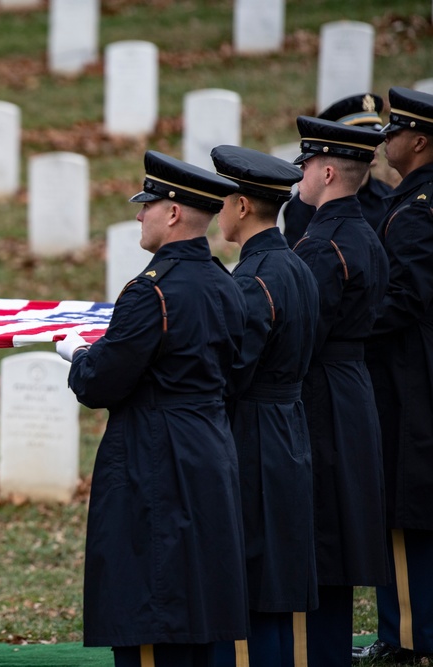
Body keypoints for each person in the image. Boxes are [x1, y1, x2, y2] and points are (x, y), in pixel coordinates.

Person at [56, 151, 248, 667]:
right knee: (201, 593)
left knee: (151, 597)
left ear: (174, 213)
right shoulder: (224, 284)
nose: (138, 215)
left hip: (153, 452)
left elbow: (101, 382)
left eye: (148, 205)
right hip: (209, 444)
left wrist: (78, 354)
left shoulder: (152, 291)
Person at [209, 146, 320, 667]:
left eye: (224, 200)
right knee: (280, 563)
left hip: (253, 428)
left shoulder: (252, 279)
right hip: (289, 424)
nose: (218, 211)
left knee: (251, 564)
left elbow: (233, 369)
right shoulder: (293, 264)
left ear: (242, 205)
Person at [288, 116, 390, 667]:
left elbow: (302, 332)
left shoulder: (324, 245)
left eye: (305, 165)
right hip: (351, 387)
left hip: (320, 391)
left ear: (327, 172)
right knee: (335, 524)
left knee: (318, 528)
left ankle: (314, 655)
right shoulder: (363, 232)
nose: (300, 173)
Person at [355, 86, 433, 664]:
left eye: (394, 132)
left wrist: (342, 324)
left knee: (405, 509)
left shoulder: (415, 210)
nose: (385, 143)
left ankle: (406, 638)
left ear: (420, 141)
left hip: (410, 383)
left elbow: (404, 297)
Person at [282, 93, 393, 247]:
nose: (373, 145)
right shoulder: (306, 202)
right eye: (362, 138)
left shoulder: (387, 197)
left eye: (375, 136)